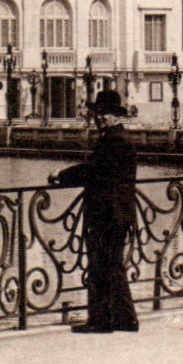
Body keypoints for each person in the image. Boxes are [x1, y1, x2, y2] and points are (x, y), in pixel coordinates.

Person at [49, 89, 139, 333]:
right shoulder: (118, 138)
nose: (99, 117)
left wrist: (61, 175)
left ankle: (101, 321)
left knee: (101, 266)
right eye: (98, 113)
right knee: (113, 265)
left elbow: (93, 171)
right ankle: (125, 319)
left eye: (104, 114)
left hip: (108, 212)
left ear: (116, 116)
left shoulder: (114, 140)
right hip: (118, 212)